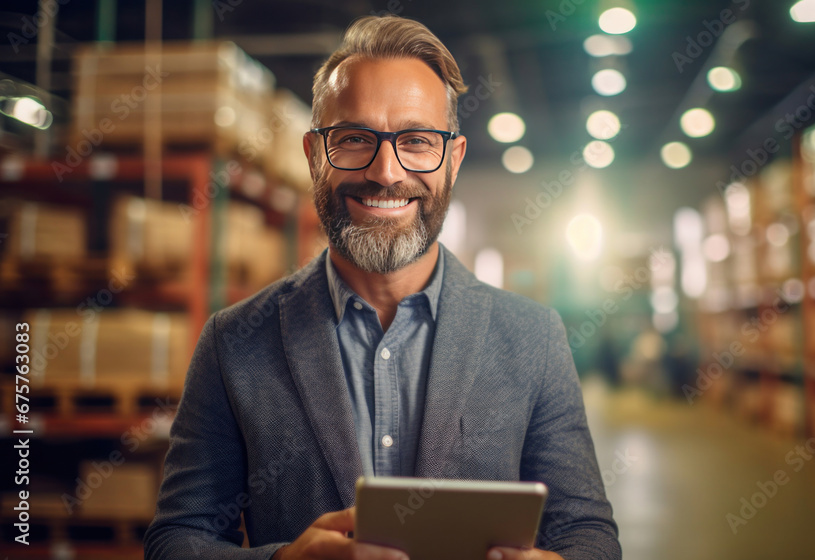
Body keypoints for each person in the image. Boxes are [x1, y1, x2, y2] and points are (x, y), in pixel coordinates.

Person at [144, 14, 621, 560]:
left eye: (417, 140)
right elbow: (176, 541)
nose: (386, 172)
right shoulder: (234, 342)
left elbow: (589, 536)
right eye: (353, 139)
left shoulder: (533, 338)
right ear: (314, 154)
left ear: (455, 160)